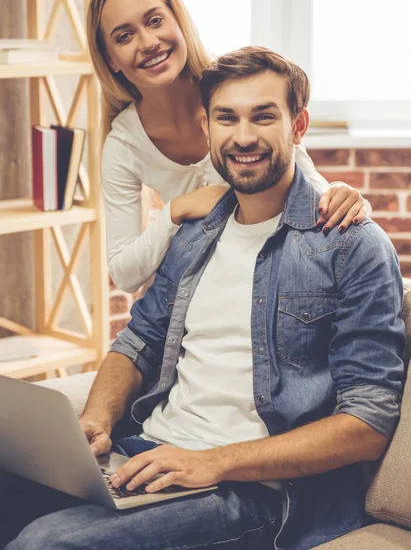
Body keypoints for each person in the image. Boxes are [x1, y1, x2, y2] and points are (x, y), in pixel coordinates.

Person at [5, 47, 404, 550]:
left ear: (298, 125)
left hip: (252, 491)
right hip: (148, 452)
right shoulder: (197, 232)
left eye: (264, 116)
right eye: (226, 118)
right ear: (207, 126)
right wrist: (95, 421)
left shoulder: (351, 245)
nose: (243, 137)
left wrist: (211, 461)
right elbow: (139, 340)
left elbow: (367, 423)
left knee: (46, 543)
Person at [87, 0, 369, 294]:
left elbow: (307, 182)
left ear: (179, 21)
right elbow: (124, 273)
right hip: (201, 288)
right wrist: (177, 209)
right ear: (111, 60)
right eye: (124, 36)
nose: (148, 43)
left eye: (154, 21)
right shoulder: (123, 144)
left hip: (280, 271)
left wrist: (343, 197)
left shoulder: (235, 89)